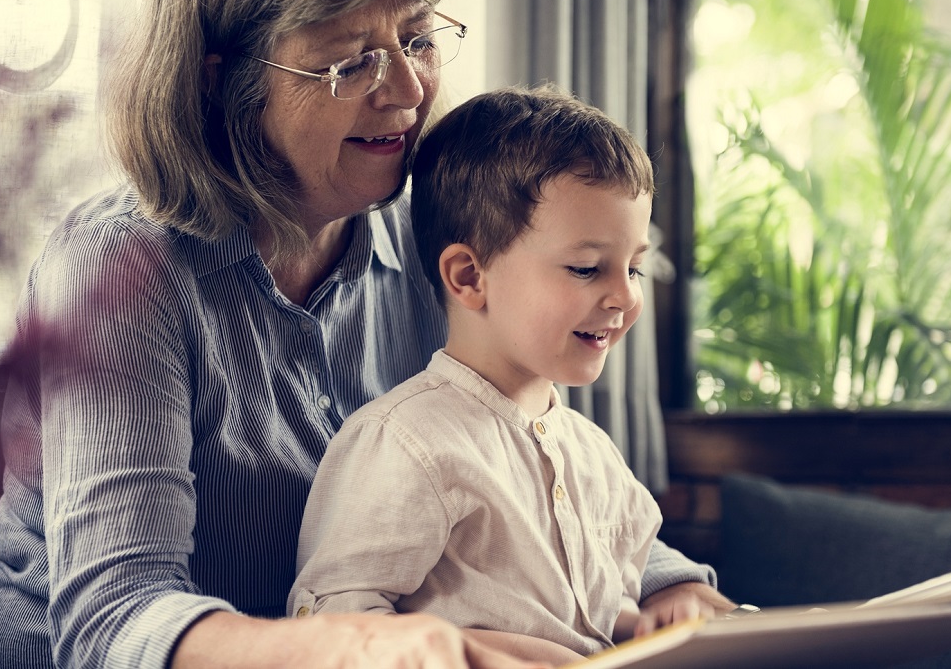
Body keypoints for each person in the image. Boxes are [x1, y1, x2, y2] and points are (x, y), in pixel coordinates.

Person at [0, 0, 727, 667]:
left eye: (418, 39)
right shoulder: (119, 270)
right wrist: (355, 642)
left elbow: (535, 469)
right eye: (348, 61)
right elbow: (112, 621)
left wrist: (666, 585)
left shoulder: (441, 241)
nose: (407, 90)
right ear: (221, 77)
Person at [287, 86, 735, 664]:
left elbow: (598, 612)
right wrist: (471, 651)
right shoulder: (404, 442)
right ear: (469, 277)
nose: (624, 297)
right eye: (586, 268)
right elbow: (330, 618)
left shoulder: (593, 454)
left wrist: (660, 615)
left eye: (634, 269)